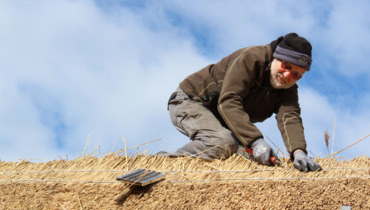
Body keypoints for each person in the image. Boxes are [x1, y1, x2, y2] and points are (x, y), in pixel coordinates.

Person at [161, 33, 322, 172]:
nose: (287, 75)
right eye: (286, 66)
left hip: (222, 120)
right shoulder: (251, 59)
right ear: (275, 57)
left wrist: (298, 152)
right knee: (222, 143)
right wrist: (256, 141)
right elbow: (228, 101)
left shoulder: (288, 89)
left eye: (296, 74)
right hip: (190, 100)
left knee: (256, 160)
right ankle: (165, 166)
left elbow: (290, 117)